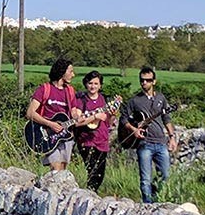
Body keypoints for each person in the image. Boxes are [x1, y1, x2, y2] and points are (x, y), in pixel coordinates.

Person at [120, 66, 177, 204]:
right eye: (142, 80)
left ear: (154, 81)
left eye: (148, 80)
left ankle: (159, 201)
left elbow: (166, 118)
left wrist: (172, 137)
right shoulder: (135, 100)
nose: (144, 83)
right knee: (145, 179)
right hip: (144, 143)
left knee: (165, 175)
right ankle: (147, 205)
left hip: (161, 142)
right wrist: (134, 129)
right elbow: (123, 119)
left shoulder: (161, 98)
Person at [25, 59, 83, 172]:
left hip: (65, 135)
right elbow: (30, 113)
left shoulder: (70, 91)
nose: (73, 75)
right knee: (55, 169)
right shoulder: (44, 89)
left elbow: (74, 112)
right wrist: (50, 124)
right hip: (47, 134)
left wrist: (78, 117)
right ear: (62, 72)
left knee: (62, 170)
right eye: (71, 71)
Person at [75, 70, 115, 192]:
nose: (93, 86)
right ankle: (89, 195)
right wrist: (94, 117)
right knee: (92, 169)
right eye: (90, 83)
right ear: (86, 84)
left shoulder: (103, 100)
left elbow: (108, 121)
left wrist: (113, 114)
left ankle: (91, 194)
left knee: (100, 173)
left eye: (96, 84)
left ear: (100, 85)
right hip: (86, 140)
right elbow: (77, 122)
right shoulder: (81, 100)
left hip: (102, 140)